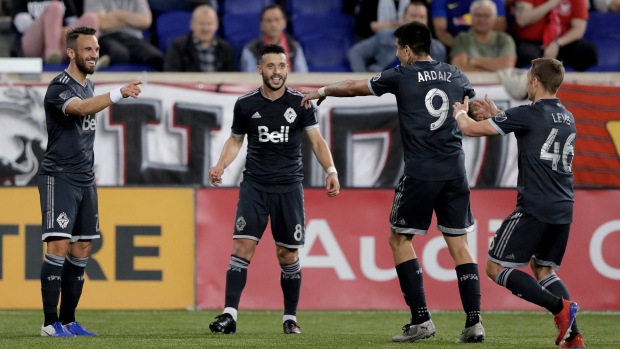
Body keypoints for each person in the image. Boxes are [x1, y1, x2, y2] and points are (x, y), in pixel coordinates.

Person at [301, 22, 484, 343]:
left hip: (421, 171)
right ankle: (474, 323)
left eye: (399, 49)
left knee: (399, 240)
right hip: (455, 170)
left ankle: (421, 320)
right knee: (459, 245)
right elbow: (475, 110)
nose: (397, 55)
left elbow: (353, 87)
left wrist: (322, 91)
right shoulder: (456, 74)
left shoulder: (402, 74)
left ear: (409, 50)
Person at [452, 57, 584, 348]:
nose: (526, 83)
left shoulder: (529, 113)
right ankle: (574, 337)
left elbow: (471, 130)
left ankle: (560, 308)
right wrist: (499, 115)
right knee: (544, 270)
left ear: (535, 81)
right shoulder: (567, 115)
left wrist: (461, 114)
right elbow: (533, 133)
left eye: (528, 79)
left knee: (495, 268)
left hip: (535, 206)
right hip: (564, 207)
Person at [208, 44, 340, 335]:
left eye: (281, 66)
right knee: (242, 246)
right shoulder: (245, 104)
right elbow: (235, 140)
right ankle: (229, 315)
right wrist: (221, 165)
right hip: (254, 185)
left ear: (287, 68)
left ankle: (289, 317)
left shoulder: (301, 102)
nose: (276, 72)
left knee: (287, 255)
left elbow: (317, 141)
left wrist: (331, 170)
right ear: (260, 70)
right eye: (270, 66)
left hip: (288, 188)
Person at [38, 26, 142, 337]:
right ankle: (49, 323)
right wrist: (118, 93)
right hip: (59, 176)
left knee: (82, 247)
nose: (94, 54)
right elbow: (80, 109)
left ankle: (69, 320)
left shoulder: (88, 85)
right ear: (71, 53)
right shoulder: (59, 87)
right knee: (58, 244)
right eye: (87, 49)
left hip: (85, 178)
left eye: (96, 49)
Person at [348, 1, 447, 72]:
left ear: (426, 21)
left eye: (421, 17)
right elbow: (355, 53)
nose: (417, 20)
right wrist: (363, 78)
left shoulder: (438, 49)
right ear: (404, 18)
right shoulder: (385, 37)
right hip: (384, 88)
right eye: (413, 15)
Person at [513, 0, 597, 71]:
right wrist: (552, 3)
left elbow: (578, 29)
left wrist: (557, 43)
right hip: (532, 42)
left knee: (586, 51)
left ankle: (577, 85)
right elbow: (522, 20)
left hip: (560, 43)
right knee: (526, 55)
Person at [84, 0, 164, 71]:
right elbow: (101, 24)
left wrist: (117, 14)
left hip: (133, 39)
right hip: (105, 37)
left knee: (156, 57)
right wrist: (132, 20)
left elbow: (146, 21)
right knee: (119, 54)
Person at [11, 0, 99, 63]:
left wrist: (61, 30)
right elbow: (21, 25)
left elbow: (73, 21)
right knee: (55, 7)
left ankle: (89, 57)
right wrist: (51, 25)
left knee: (90, 17)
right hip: (33, 45)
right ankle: (51, 53)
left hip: (60, 45)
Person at [163, 5, 236, 72]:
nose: (205, 28)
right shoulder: (178, 46)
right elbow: (171, 74)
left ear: (216, 25)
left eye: (209, 24)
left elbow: (232, 77)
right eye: (201, 24)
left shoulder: (226, 49)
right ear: (192, 24)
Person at [450, 0, 516, 72]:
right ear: (471, 18)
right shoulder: (461, 39)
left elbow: (507, 65)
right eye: (477, 15)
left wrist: (475, 61)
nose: (481, 19)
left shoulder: (505, 39)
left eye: (486, 15)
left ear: (494, 19)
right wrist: (494, 67)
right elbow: (460, 67)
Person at [239, 4, 308, 73]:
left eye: (277, 20)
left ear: (284, 22)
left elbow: (302, 77)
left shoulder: (294, 47)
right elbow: (250, 79)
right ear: (261, 24)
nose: (273, 24)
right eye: (269, 20)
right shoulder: (251, 50)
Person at [431, 0, 507, 48]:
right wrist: (463, 48)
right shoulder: (440, 1)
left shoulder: (497, 1)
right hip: (454, 45)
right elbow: (441, 32)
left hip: (488, 45)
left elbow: (499, 27)